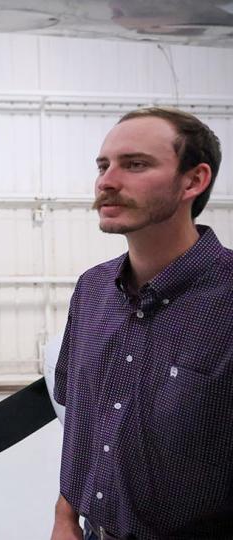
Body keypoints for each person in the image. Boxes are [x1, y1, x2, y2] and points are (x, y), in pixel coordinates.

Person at [51, 108, 230, 539]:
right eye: (103, 166)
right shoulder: (92, 290)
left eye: (135, 164)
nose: (107, 181)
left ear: (193, 180)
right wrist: (65, 516)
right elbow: (82, 419)